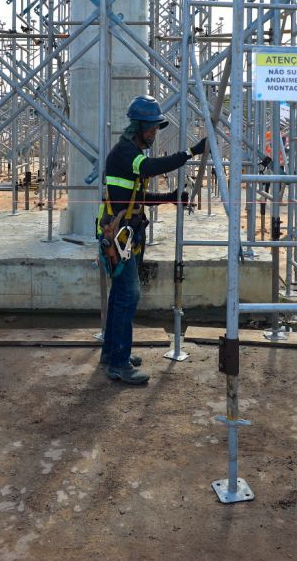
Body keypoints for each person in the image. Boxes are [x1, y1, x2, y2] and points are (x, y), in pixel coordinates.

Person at [98, 95, 207, 385]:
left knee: (120, 294)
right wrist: (191, 152)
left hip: (128, 232)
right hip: (118, 234)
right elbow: (150, 168)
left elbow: (137, 196)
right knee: (128, 295)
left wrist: (170, 197)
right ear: (138, 126)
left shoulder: (132, 153)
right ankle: (119, 363)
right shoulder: (125, 153)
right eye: (152, 128)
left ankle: (112, 353)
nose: (154, 133)